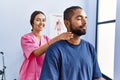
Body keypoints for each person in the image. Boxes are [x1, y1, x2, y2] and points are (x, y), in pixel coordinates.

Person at [40, 6, 103, 80]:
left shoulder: (89, 48)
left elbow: (97, 78)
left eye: (85, 18)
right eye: (79, 19)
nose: (85, 22)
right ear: (67, 23)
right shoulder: (54, 50)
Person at [19, 10, 73, 80]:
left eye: (43, 20)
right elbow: (37, 52)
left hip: (43, 73)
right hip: (29, 75)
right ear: (32, 22)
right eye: (38, 20)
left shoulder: (46, 39)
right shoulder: (25, 38)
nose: (41, 23)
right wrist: (59, 37)